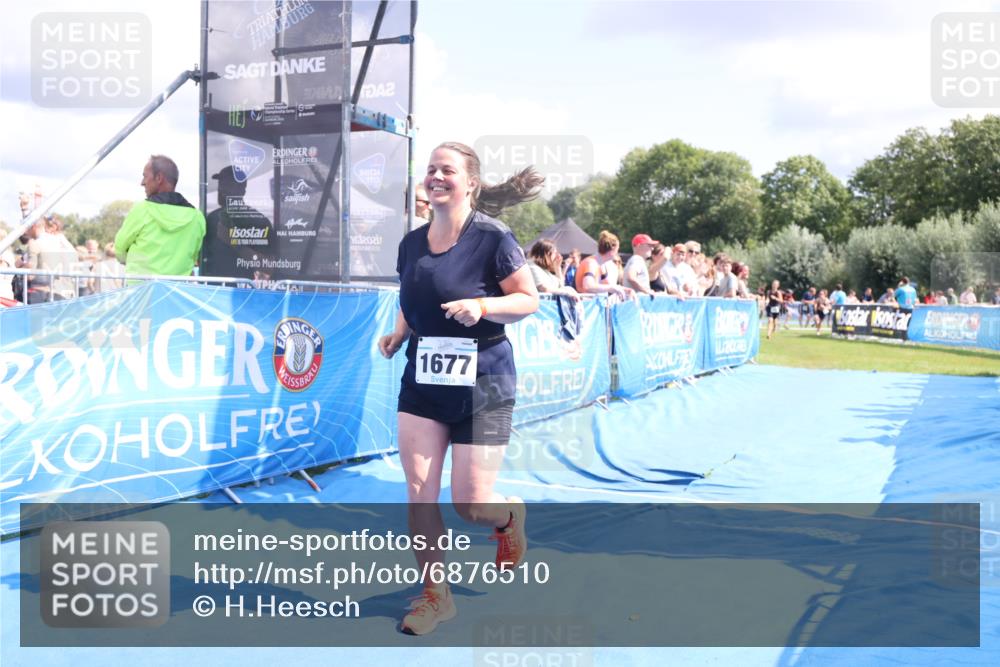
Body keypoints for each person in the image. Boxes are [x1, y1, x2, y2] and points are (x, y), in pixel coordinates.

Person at [376, 142, 541, 636]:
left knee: (470, 503)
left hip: (485, 382)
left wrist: (483, 307)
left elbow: (528, 299)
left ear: (470, 182)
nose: (436, 176)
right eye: (430, 169)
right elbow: (413, 294)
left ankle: (507, 517)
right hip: (423, 382)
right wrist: (399, 332)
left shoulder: (493, 237)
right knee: (420, 492)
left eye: (447, 169)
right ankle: (435, 595)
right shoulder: (410, 243)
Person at [115, 155, 206, 277]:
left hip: (142, 291)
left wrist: (130, 260)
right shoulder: (197, 217)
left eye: (145, 176)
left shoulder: (142, 210)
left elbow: (120, 249)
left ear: (159, 178)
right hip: (175, 291)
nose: (142, 183)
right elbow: (194, 256)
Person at [203, 165, 274, 280]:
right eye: (220, 184)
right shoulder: (211, 219)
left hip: (244, 292)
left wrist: (235, 244)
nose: (221, 189)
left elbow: (269, 266)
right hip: (212, 290)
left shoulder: (259, 221)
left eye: (227, 185)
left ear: (242, 190)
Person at [575, 231, 633, 300]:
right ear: (613, 249)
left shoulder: (601, 265)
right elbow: (587, 286)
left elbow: (607, 286)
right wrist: (612, 288)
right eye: (617, 250)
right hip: (587, 306)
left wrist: (627, 290)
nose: (617, 253)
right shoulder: (591, 263)